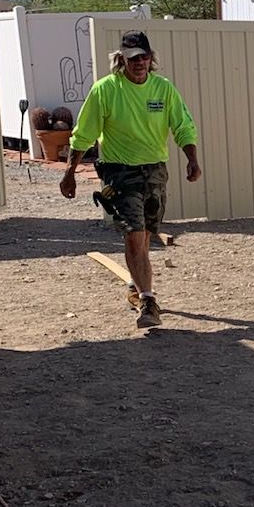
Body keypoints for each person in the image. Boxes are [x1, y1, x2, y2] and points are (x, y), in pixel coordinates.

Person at [60, 31, 202, 329]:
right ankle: (149, 301)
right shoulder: (106, 90)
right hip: (119, 172)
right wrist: (70, 173)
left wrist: (192, 158)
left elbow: (182, 125)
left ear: (152, 59)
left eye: (144, 57)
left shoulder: (163, 89)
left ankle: (136, 286)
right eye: (133, 58)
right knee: (135, 234)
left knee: (147, 232)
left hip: (154, 171)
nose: (139, 63)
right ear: (121, 60)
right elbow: (84, 133)